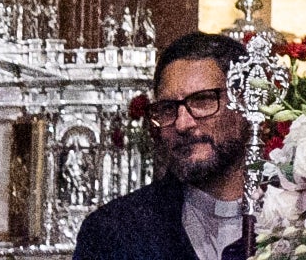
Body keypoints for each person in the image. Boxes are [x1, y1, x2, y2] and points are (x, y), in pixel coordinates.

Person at [71, 32, 253, 260]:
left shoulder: (302, 218)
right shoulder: (114, 231)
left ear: (247, 103)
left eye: (203, 100)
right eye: (168, 108)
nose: (182, 123)